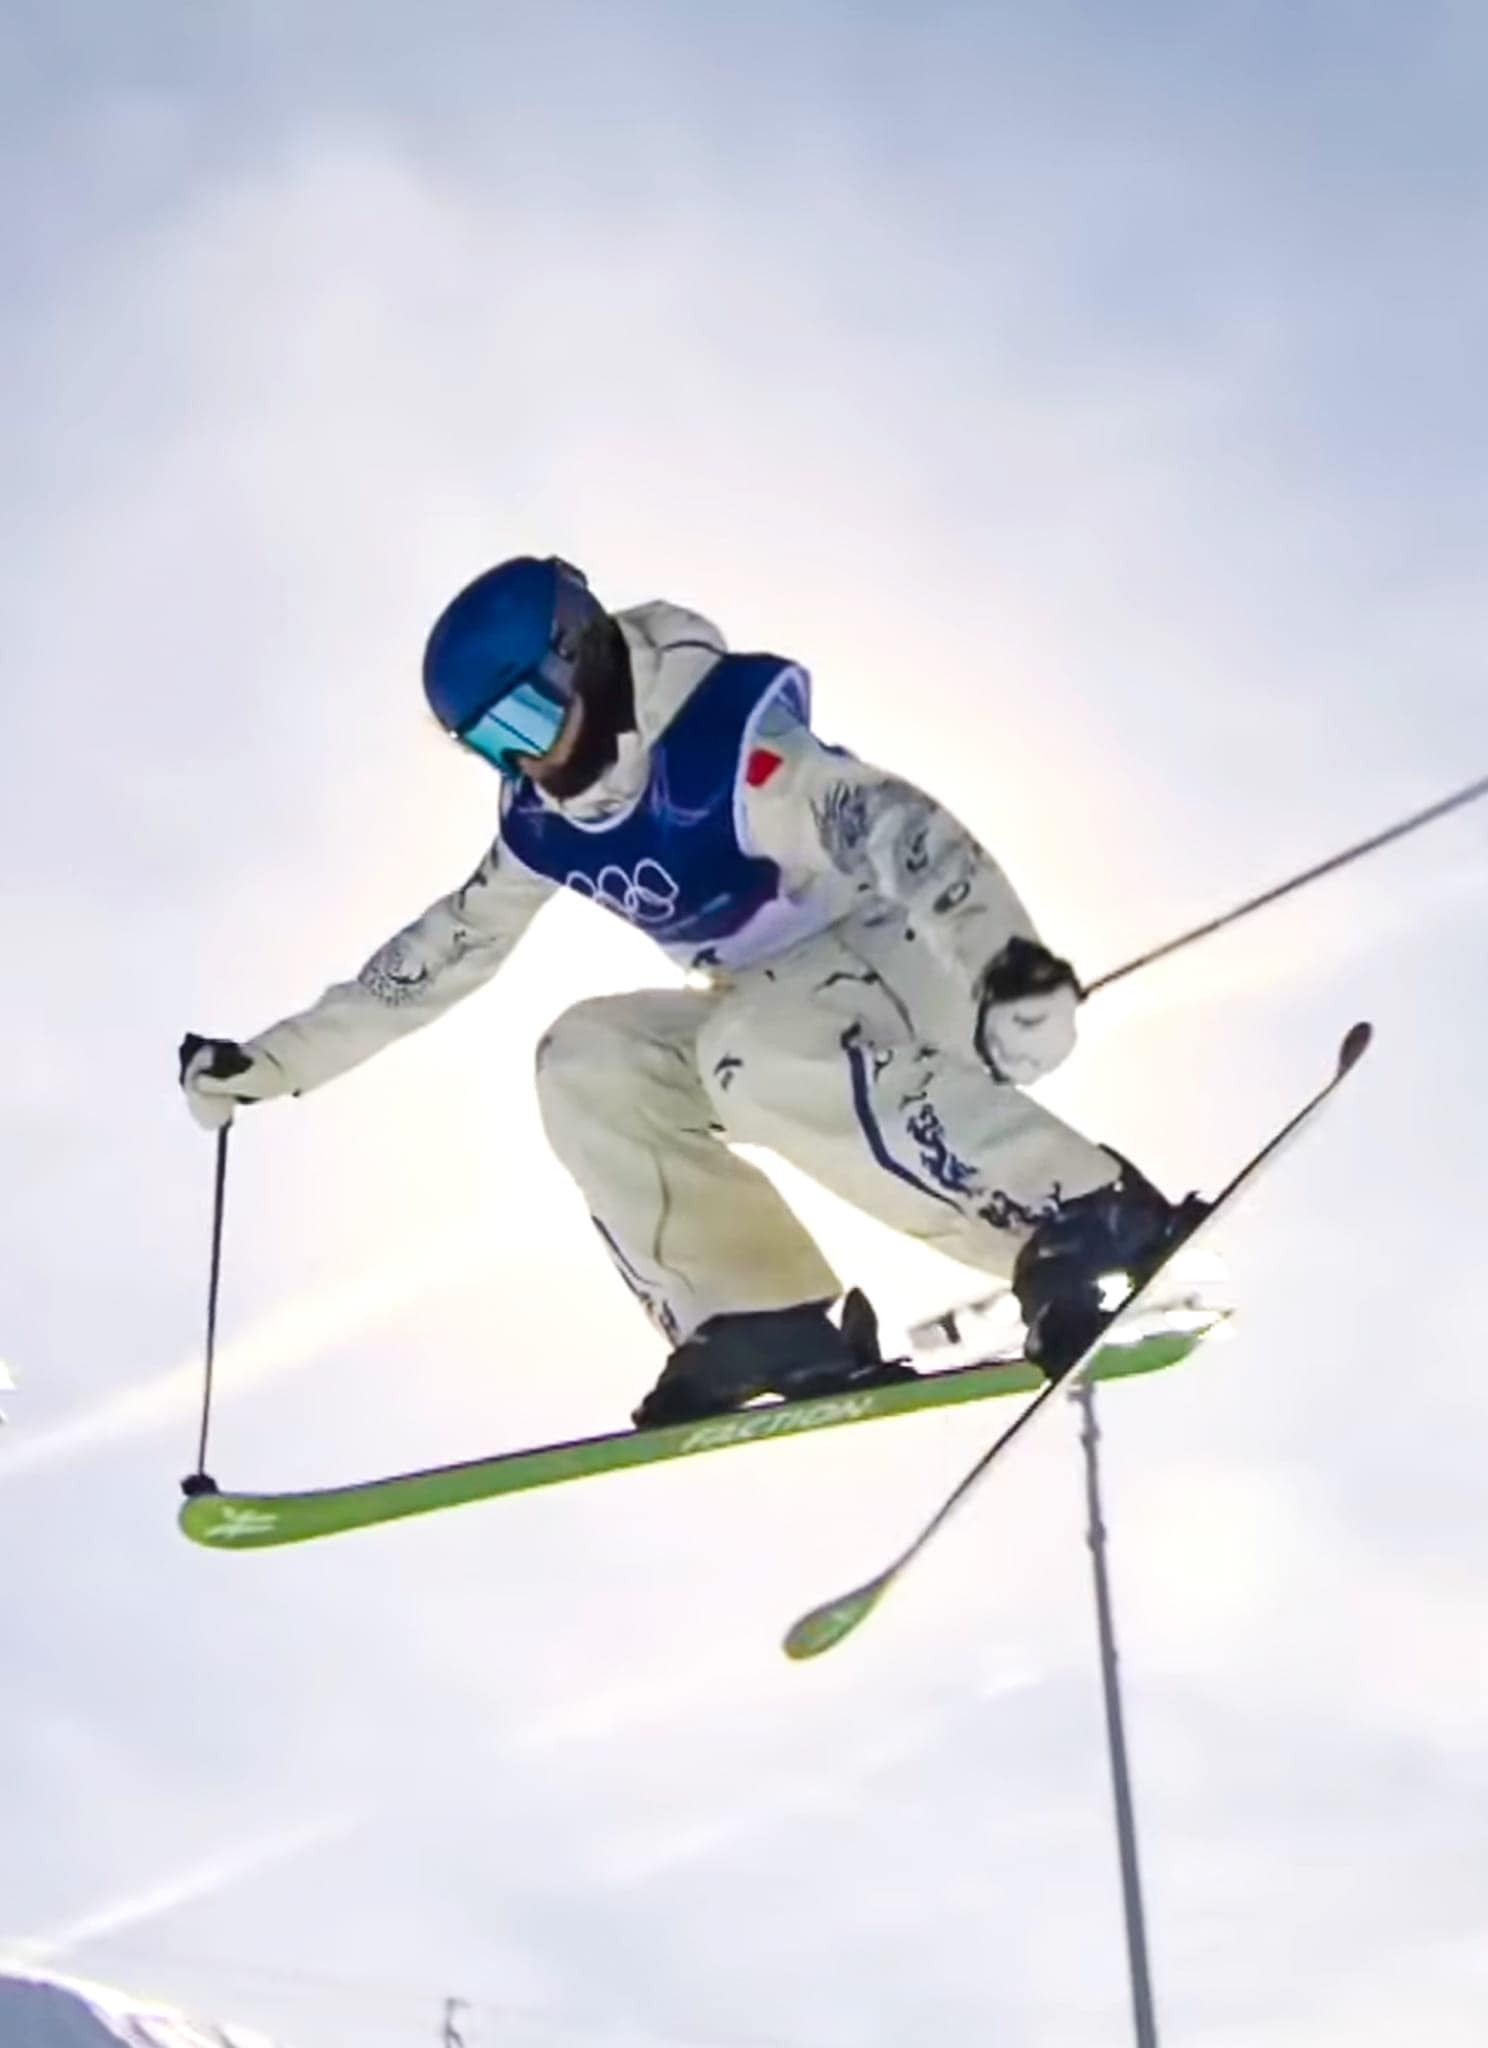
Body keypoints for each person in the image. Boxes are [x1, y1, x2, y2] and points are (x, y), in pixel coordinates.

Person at [180, 556, 1200, 1427]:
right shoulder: (548, 822)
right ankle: (762, 1312)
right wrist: (272, 1061)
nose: (532, 757)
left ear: (582, 652)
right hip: (777, 1002)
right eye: (496, 742)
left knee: (747, 1057)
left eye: (531, 713)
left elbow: (890, 826)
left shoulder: (723, 749)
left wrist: (1006, 962)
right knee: (588, 1059)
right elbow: (442, 949)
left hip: (900, 964)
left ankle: (1080, 1212)